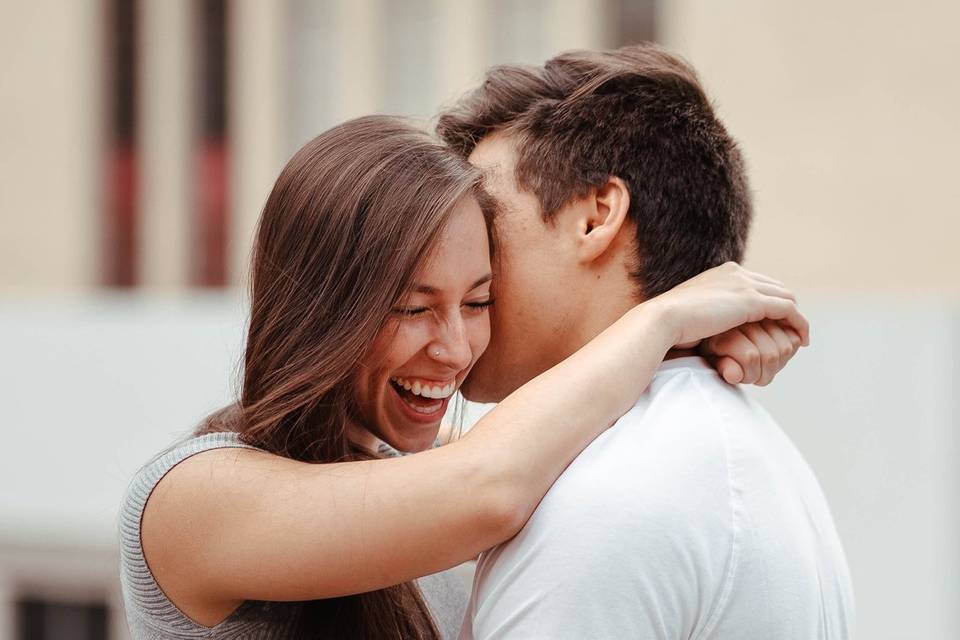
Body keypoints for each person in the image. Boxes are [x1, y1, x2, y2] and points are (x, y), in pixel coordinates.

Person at [118, 116, 808, 639]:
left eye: (479, 303)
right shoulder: (190, 499)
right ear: (322, 307)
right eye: (414, 308)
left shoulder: (451, 459)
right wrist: (661, 319)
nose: (454, 349)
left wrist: (694, 348)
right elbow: (488, 488)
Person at [436, 43, 854, 639]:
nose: (461, 252)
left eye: (484, 217)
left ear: (596, 215)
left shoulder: (602, 503)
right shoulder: (750, 455)